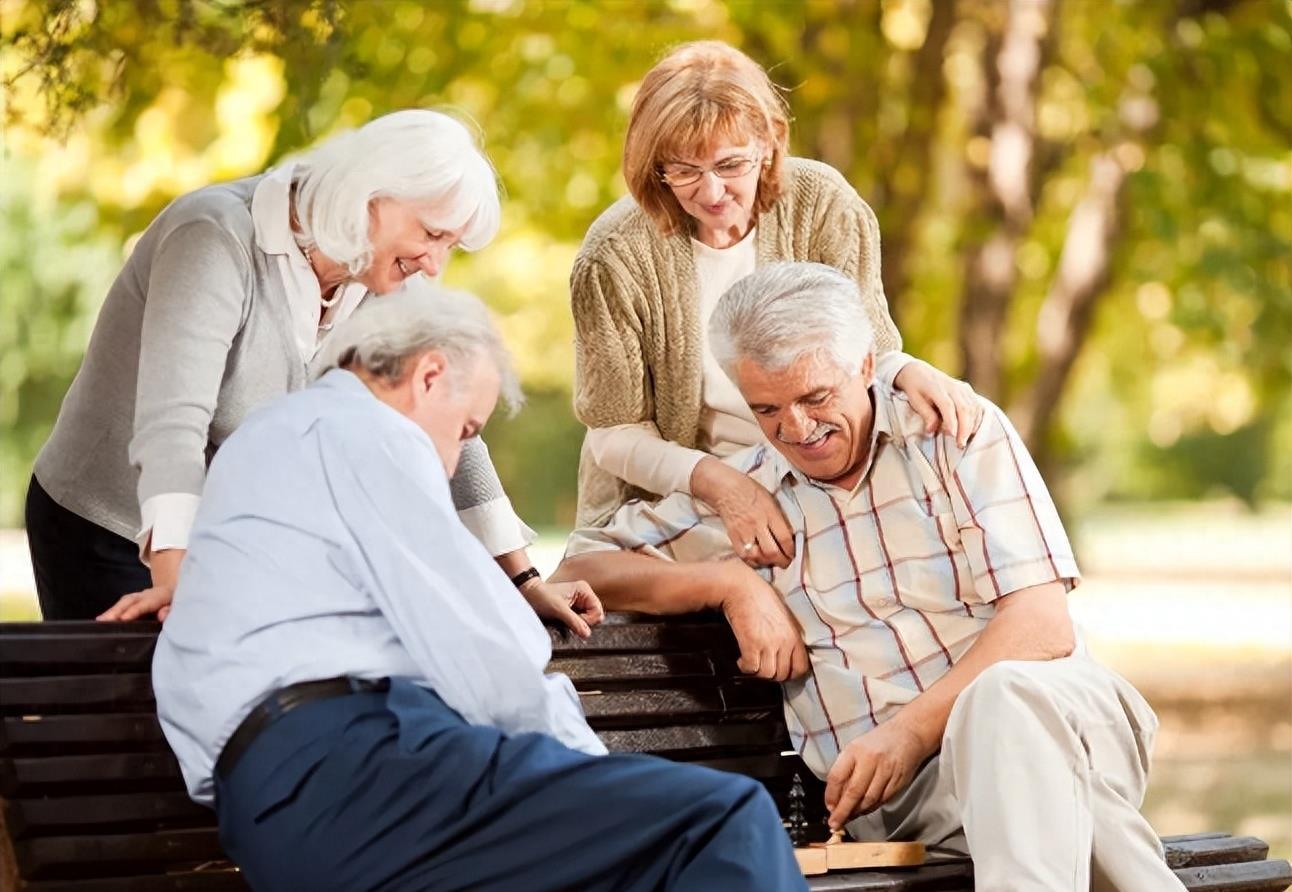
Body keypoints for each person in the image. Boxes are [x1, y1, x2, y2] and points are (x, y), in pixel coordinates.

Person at [152, 287, 806, 892]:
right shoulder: (366, 432)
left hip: (291, 798)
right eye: (465, 432)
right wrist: (589, 768)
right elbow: (488, 655)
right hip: (357, 771)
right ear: (429, 375)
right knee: (724, 819)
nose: (450, 462)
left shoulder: (273, 437)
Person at [556, 262, 1186, 890]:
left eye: (815, 397)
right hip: (910, 800)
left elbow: (1041, 625)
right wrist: (728, 583)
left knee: (1002, 703)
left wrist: (906, 733)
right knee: (1063, 807)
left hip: (1063, 720)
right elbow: (579, 569)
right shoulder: (749, 499)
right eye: (767, 408)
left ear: (866, 366)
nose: (796, 430)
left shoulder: (953, 433)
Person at [28, 109, 570, 630]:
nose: (435, 264)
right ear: (370, 195)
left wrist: (521, 577)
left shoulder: (385, 280)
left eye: (450, 245)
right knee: (127, 711)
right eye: (432, 234)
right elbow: (173, 426)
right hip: (108, 519)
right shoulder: (216, 237)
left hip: (223, 538)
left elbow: (452, 419)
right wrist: (176, 578)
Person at [571, 40, 981, 568]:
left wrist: (905, 370)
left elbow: (867, 351)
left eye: (731, 164)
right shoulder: (614, 255)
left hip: (819, 466)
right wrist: (724, 486)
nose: (712, 191)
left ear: (768, 143)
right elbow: (612, 431)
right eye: (685, 171)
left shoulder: (823, 203)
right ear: (656, 168)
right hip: (679, 494)